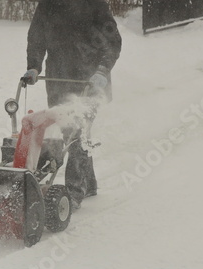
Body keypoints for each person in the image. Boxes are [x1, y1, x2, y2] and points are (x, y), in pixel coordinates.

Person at [23, 0, 122, 210]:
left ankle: (74, 191)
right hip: (58, 78)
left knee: (78, 130)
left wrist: (103, 70)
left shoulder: (94, 4)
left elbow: (112, 40)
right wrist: (33, 66)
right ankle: (90, 184)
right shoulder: (48, 5)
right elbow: (36, 37)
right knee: (71, 131)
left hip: (90, 79)